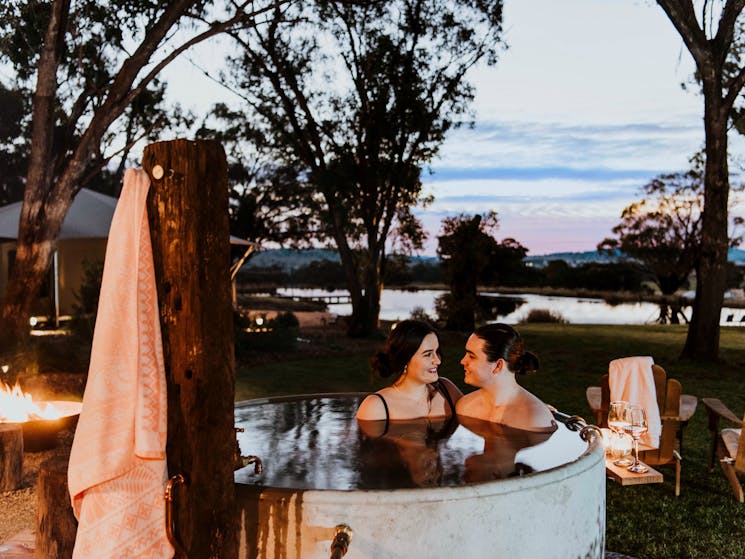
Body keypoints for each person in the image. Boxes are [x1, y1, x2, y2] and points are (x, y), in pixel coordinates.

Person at [355, 319, 462, 421]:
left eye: (436, 351)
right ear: (404, 359)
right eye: (428, 354)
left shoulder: (447, 389)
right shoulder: (376, 407)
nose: (437, 360)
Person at [456, 323, 555, 431]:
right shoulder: (464, 407)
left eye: (471, 356)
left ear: (498, 365)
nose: (462, 361)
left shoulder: (535, 419)